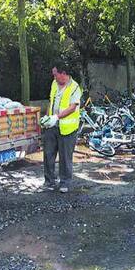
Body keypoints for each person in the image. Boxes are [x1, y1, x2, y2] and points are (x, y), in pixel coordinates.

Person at [40, 63, 82, 193]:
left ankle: (65, 183)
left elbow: (72, 107)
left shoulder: (74, 88)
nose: (54, 76)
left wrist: (56, 117)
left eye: (55, 74)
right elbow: (51, 102)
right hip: (52, 127)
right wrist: (47, 118)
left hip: (68, 129)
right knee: (48, 154)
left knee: (65, 157)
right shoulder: (54, 84)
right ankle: (49, 181)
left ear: (63, 74)